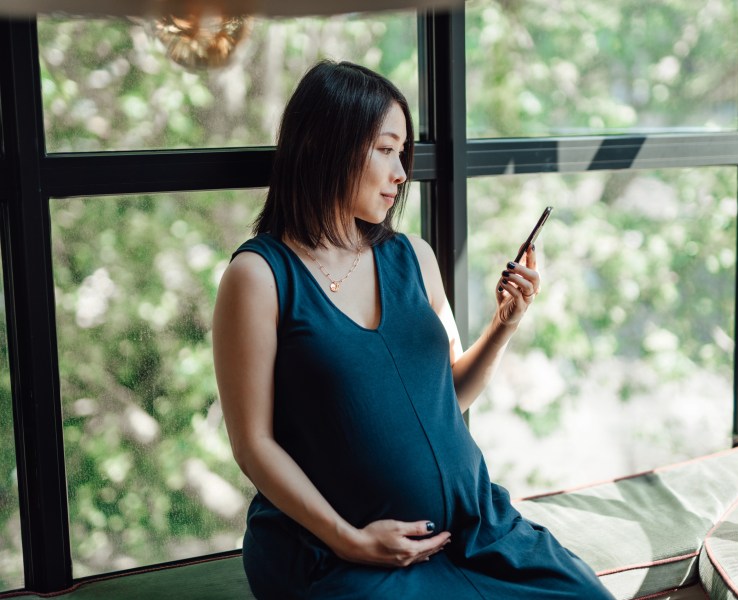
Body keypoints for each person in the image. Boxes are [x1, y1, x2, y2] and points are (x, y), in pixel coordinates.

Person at [212, 60, 614, 599]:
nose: (401, 172)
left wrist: (503, 326)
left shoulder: (412, 257)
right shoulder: (259, 277)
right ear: (324, 144)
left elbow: (450, 391)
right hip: (339, 553)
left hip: (479, 533)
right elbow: (252, 445)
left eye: (403, 152)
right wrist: (348, 539)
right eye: (384, 149)